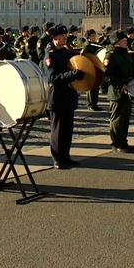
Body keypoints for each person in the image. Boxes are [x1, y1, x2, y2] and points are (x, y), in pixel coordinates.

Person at [43, 24, 85, 169]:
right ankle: (57, 158)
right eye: (62, 36)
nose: (65, 37)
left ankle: (66, 156)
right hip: (58, 96)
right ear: (54, 38)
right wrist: (72, 75)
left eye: (65, 35)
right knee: (58, 130)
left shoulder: (66, 52)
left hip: (68, 95)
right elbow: (53, 77)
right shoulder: (51, 55)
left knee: (67, 129)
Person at [104, 30, 134, 152]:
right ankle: (116, 143)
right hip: (117, 92)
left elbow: (133, 70)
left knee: (125, 118)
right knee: (117, 119)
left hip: (128, 90)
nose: (126, 41)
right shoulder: (111, 55)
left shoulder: (125, 54)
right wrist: (120, 85)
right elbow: (107, 75)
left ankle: (123, 141)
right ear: (116, 42)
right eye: (123, 40)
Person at [81, 29, 102, 111]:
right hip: (89, 68)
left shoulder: (96, 45)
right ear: (88, 37)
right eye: (92, 36)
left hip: (96, 67)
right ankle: (90, 104)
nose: (94, 37)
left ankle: (95, 103)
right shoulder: (86, 47)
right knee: (91, 87)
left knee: (96, 86)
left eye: (94, 35)